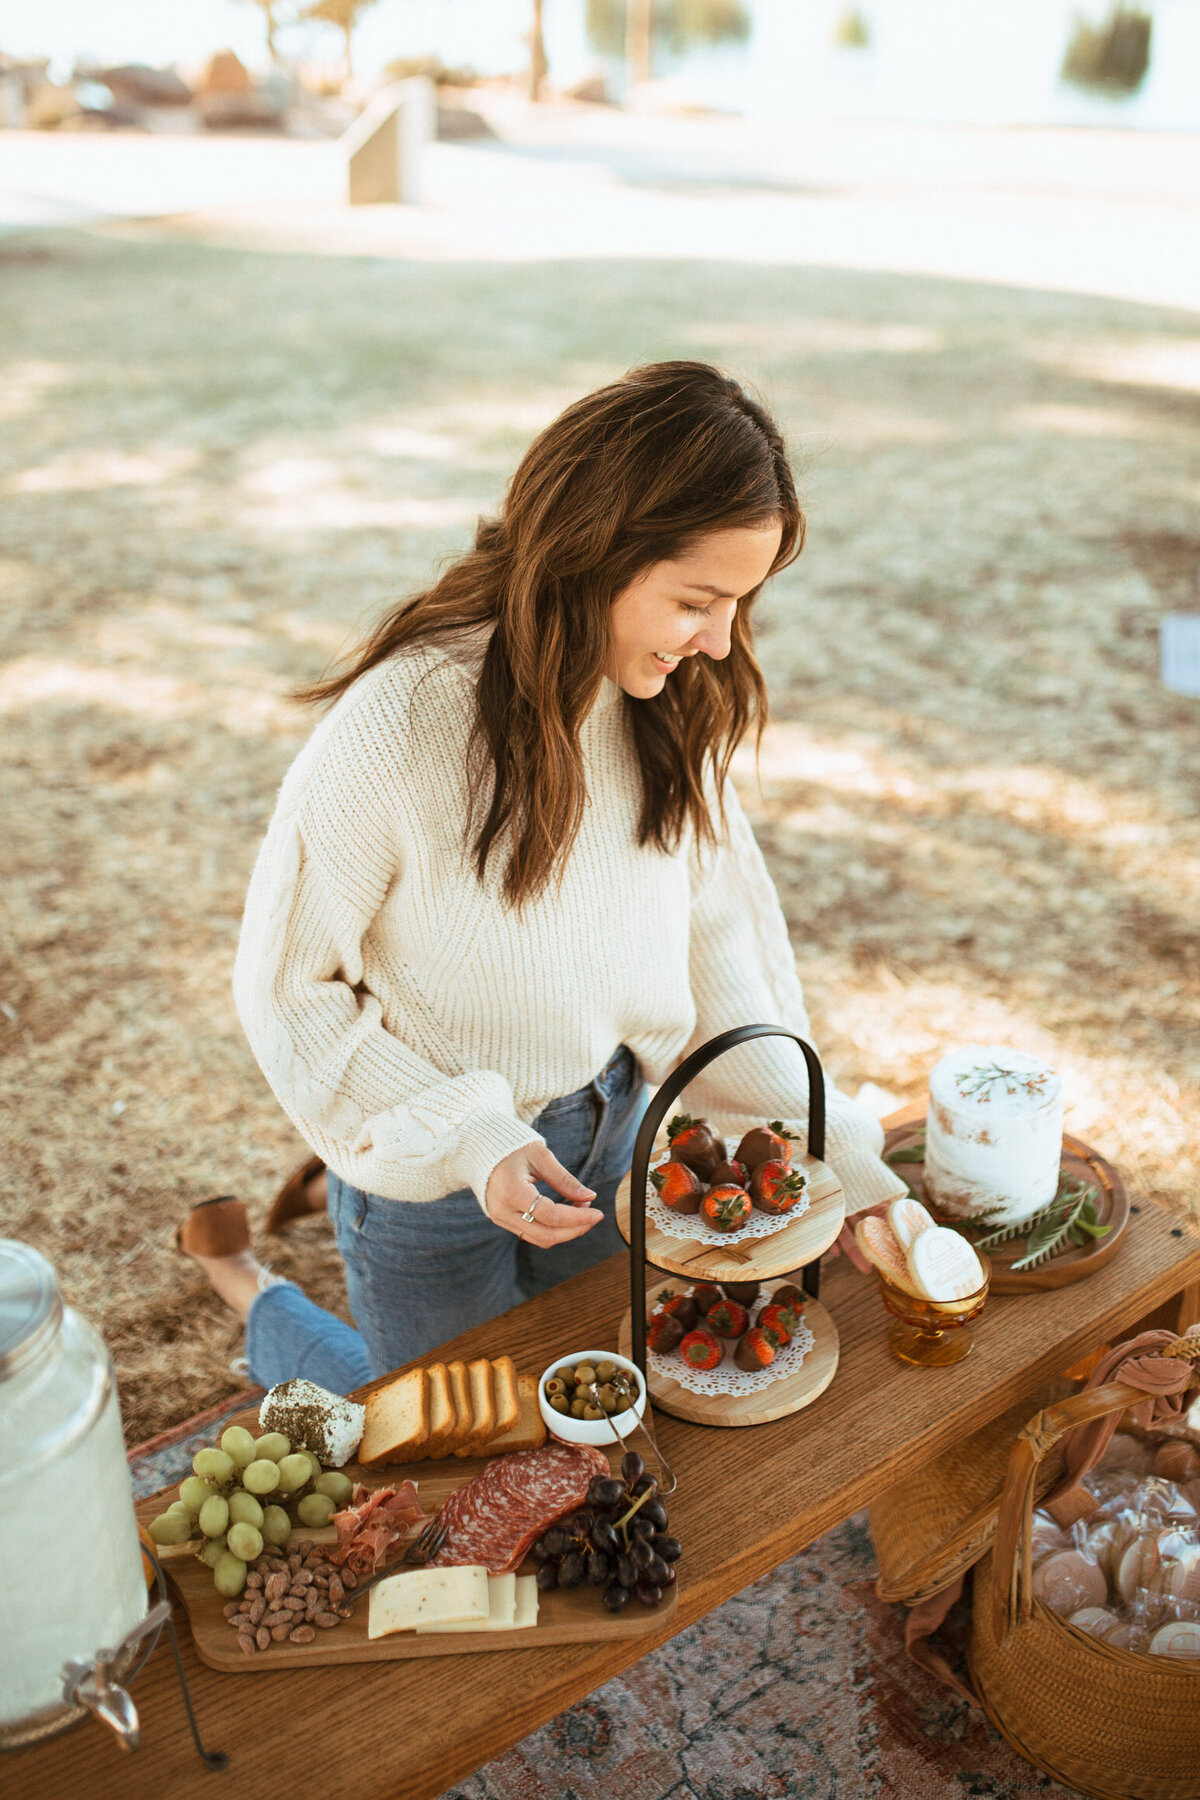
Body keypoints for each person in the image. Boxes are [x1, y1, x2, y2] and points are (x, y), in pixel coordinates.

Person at [178, 361, 907, 1394]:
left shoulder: (672, 705)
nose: (719, 641)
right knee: (441, 1435)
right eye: (697, 599)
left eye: (740, 604)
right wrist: (472, 1139)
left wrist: (848, 1161)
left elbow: (722, 968)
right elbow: (286, 990)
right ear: (592, 550)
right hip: (437, 1175)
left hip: (609, 1141)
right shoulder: (401, 726)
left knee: (594, 1403)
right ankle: (246, 1281)